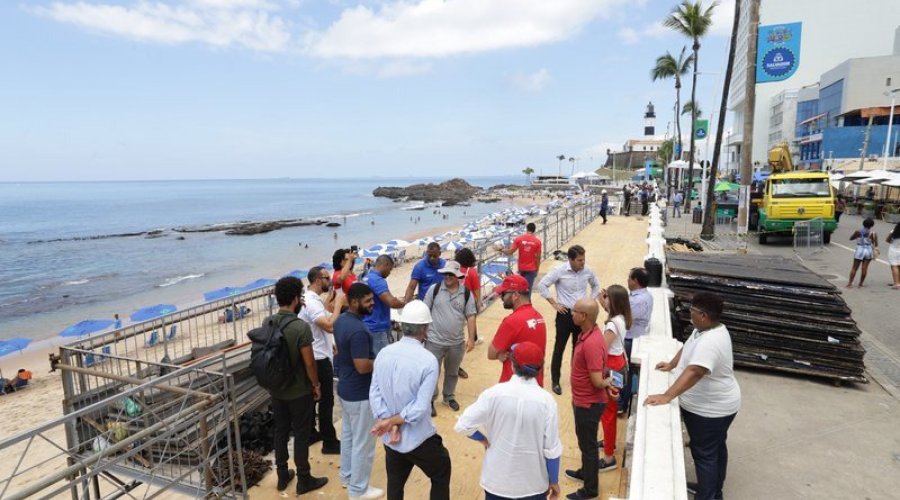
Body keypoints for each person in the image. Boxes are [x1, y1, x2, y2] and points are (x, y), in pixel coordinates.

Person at [645, 292, 741, 500]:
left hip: (711, 410)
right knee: (715, 448)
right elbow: (688, 346)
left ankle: (708, 495)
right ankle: (714, 490)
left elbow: (694, 372)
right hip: (716, 406)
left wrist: (666, 396)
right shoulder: (703, 330)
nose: (690, 313)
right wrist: (672, 364)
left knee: (704, 454)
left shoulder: (712, 341)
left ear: (704, 315)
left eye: (693, 311)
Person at [455, 342, 562, 500]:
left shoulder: (492, 394)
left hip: (496, 483)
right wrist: (554, 481)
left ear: (512, 365)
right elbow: (552, 449)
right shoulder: (547, 402)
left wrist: (482, 439)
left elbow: (463, 425)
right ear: (540, 368)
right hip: (532, 486)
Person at [370, 301, 451, 500]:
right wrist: (393, 422)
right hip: (418, 438)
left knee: (395, 484)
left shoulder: (384, 353)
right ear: (425, 329)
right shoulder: (427, 360)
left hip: (391, 438)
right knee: (441, 471)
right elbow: (419, 408)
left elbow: (374, 393)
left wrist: (388, 421)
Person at [267, 277, 328, 494]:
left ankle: (282, 475)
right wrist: (316, 385)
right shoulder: (300, 327)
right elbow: (309, 362)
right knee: (301, 434)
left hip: (276, 389)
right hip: (299, 391)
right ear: (295, 299)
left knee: (281, 430)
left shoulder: (269, 322)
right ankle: (304, 478)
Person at [334, 283, 383, 500]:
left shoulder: (341, 320)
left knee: (349, 436)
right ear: (354, 302)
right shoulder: (359, 331)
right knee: (364, 443)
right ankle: (358, 489)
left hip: (345, 389)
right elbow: (362, 366)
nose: (373, 303)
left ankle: (347, 476)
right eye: (368, 301)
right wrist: (381, 360)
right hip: (360, 393)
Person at [565, 298, 616, 500]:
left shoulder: (592, 343)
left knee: (588, 446)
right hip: (582, 400)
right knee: (585, 442)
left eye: (575, 311)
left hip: (588, 403)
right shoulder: (587, 334)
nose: (572, 314)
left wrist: (607, 382)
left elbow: (596, 380)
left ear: (584, 316)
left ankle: (590, 489)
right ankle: (585, 472)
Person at [538, 245, 601, 395]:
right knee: (559, 348)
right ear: (571, 260)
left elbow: (596, 285)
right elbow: (542, 285)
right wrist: (554, 303)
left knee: (578, 349)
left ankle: (576, 377)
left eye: (584, 259)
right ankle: (555, 380)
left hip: (582, 315)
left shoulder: (588, 270)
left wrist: (590, 302)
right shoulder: (559, 271)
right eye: (579, 260)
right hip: (565, 314)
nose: (583, 262)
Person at [423, 261, 477, 414]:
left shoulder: (466, 293)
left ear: (457, 276)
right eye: (445, 274)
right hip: (434, 340)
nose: (447, 277)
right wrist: (423, 331)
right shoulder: (435, 289)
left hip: (456, 342)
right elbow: (425, 310)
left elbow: (471, 317)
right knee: (432, 372)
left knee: (452, 372)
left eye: (450, 274)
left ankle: (448, 396)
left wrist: (471, 339)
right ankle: (430, 400)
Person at [299, 266, 341, 455]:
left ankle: (311, 434)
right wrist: (339, 305)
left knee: (313, 399)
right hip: (318, 358)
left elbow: (320, 328)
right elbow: (328, 325)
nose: (329, 280)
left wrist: (329, 342)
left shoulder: (312, 299)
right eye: (326, 278)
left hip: (317, 352)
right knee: (326, 400)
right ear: (317, 280)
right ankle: (329, 442)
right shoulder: (311, 302)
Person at [596, 285, 632, 472]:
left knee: (608, 412)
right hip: (618, 365)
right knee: (611, 409)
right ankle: (610, 443)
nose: (604, 300)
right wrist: (602, 301)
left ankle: (609, 457)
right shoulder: (620, 318)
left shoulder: (611, 324)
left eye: (607, 298)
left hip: (610, 367)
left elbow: (602, 347)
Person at [488, 274, 547, 386]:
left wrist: (499, 354)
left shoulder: (512, 321)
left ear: (515, 295)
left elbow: (491, 353)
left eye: (503, 294)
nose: (502, 298)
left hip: (513, 384)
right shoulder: (538, 317)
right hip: (535, 383)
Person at [618, 268, 652, 415]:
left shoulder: (636, 301)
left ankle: (621, 404)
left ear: (635, 281)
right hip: (637, 337)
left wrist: (607, 306)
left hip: (631, 340)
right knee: (629, 373)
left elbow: (625, 321)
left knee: (625, 373)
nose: (627, 280)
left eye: (629, 278)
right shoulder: (647, 296)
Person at [360, 255, 407, 355]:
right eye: (390, 269)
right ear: (385, 265)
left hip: (366, 323)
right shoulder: (378, 280)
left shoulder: (366, 276)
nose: (389, 273)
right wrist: (406, 304)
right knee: (382, 359)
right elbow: (391, 302)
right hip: (377, 328)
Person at [502, 222, 543, 295]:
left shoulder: (519, 239)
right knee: (528, 290)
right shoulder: (538, 242)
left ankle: (521, 304)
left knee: (521, 289)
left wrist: (501, 250)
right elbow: (538, 258)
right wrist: (537, 269)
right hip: (531, 268)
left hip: (521, 268)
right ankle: (527, 304)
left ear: (526, 229)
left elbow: (510, 252)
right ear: (534, 230)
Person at [846, 217, 879, 288]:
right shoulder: (873, 233)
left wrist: (857, 237)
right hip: (868, 251)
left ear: (863, 224)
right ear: (872, 225)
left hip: (860, 250)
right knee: (864, 268)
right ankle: (861, 283)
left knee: (854, 268)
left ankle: (850, 283)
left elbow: (851, 238)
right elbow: (876, 244)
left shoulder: (858, 232)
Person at [887, 222, 900, 289]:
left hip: (894, 249)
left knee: (894, 266)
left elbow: (887, 240)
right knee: (899, 266)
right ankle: (898, 281)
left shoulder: (894, 232)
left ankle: (896, 283)